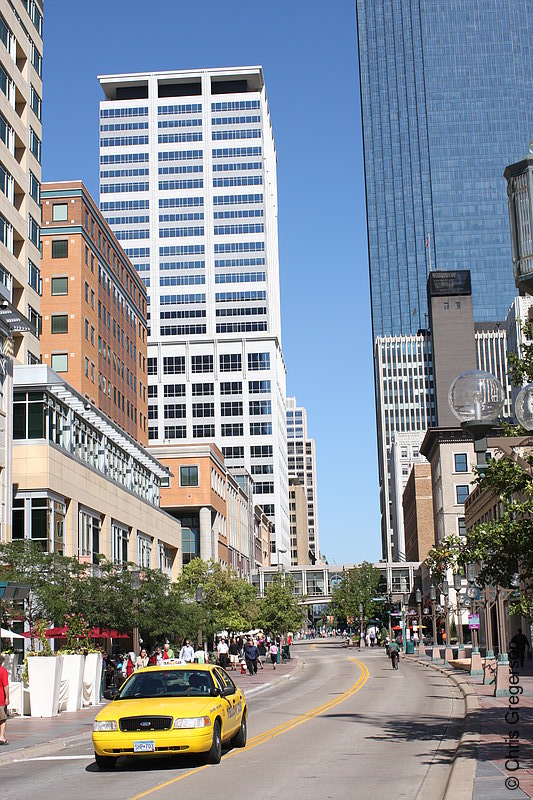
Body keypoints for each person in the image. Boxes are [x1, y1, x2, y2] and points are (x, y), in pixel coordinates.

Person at [0, 655, 9, 745]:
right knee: (2, 719)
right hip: (0, 699)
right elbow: (6, 685)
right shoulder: (3, 671)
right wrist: (7, 697)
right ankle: (1, 737)